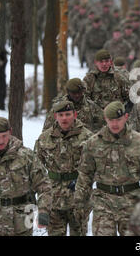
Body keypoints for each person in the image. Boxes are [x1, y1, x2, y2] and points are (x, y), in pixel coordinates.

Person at [73, 101, 140, 236]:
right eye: (111, 120)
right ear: (105, 119)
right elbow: (85, 174)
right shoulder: (93, 143)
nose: (114, 124)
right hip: (103, 201)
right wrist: (79, 202)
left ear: (126, 117)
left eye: (118, 120)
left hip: (132, 200)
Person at [35, 101, 93, 236]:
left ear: (75, 114)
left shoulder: (88, 137)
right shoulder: (45, 138)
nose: (64, 118)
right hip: (54, 198)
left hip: (79, 197)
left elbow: (97, 166)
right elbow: (36, 169)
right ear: (55, 116)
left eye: (68, 114)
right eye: (61, 115)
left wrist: (83, 183)